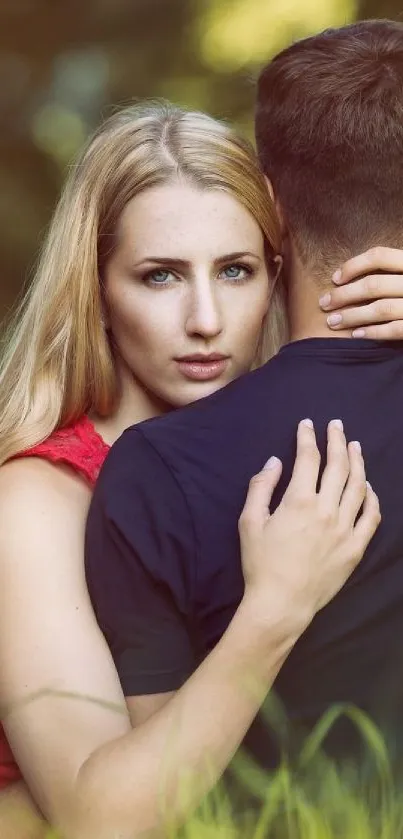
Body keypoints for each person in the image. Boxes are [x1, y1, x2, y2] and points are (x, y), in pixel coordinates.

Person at [0, 97, 401, 839]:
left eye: (236, 270)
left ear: (279, 272)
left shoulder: (290, 441)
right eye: (159, 276)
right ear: (96, 292)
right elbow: (94, 820)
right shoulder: (36, 500)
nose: (207, 319)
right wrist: (272, 608)